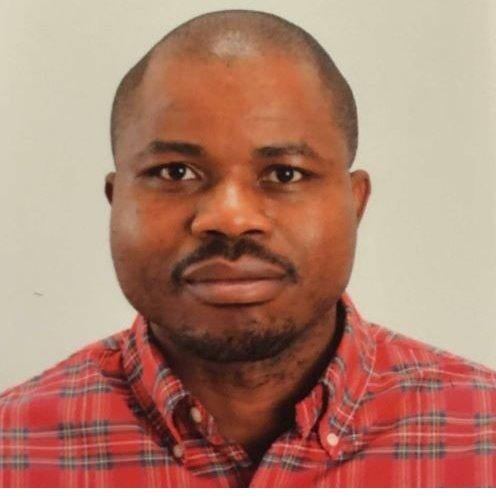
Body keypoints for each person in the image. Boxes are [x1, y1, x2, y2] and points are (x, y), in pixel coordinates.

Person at [0, 9, 495, 488]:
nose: (230, 219)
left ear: (355, 202)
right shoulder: (13, 449)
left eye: (285, 174)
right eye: (175, 172)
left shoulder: (482, 434)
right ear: (116, 200)